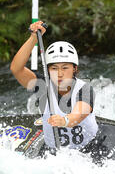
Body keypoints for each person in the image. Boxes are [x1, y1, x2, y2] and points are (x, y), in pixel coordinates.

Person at [10, 21, 99, 154]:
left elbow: (79, 114)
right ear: (48, 70)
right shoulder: (42, 86)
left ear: (75, 69)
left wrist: (65, 121)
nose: (60, 73)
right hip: (53, 151)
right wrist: (33, 38)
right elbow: (16, 69)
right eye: (54, 68)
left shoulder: (85, 89)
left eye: (65, 67)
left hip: (88, 148)